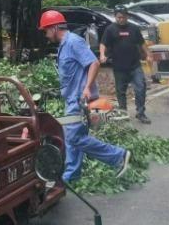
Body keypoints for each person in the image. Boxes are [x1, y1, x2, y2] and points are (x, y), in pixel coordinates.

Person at [38, 10, 131, 182]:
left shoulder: (74, 42)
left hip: (80, 100)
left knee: (74, 138)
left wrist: (87, 87)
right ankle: (71, 175)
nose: (45, 35)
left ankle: (118, 156)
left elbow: (94, 63)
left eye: (46, 31)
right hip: (71, 99)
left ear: (55, 27)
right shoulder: (64, 46)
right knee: (71, 138)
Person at [100, 5, 151, 124]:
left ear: (127, 16)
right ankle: (123, 113)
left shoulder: (134, 28)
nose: (120, 19)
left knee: (140, 88)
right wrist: (102, 55)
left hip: (135, 65)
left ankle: (141, 113)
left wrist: (148, 54)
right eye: (118, 17)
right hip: (119, 67)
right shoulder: (110, 29)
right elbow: (103, 43)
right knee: (120, 91)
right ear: (115, 17)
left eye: (123, 17)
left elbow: (142, 43)